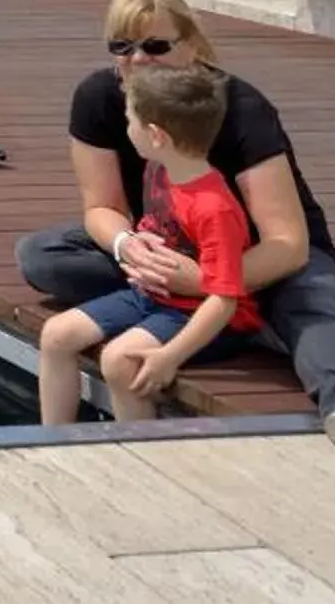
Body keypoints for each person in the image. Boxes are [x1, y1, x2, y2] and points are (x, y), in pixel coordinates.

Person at [14, 0, 335, 451]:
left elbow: (287, 243)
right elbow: (101, 208)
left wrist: (204, 281)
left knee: (309, 304)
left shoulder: (239, 107)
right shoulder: (102, 98)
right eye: (122, 47)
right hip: (174, 248)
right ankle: (239, 324)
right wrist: (129, 247)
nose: (138, 59)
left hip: (265, 259)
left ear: (192, 46)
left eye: (156, 45)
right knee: (44, 256)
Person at [36, 67, 261, 426]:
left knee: (120, 361)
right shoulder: (159, 169)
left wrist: (170, 355)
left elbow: (224, 300)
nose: (126, 130)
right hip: (153, 297)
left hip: (204, 317)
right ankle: (53, 441)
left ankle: (139, 449)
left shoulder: (212, 207)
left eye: (130, 121)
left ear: (155, 135)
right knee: (56, 335)